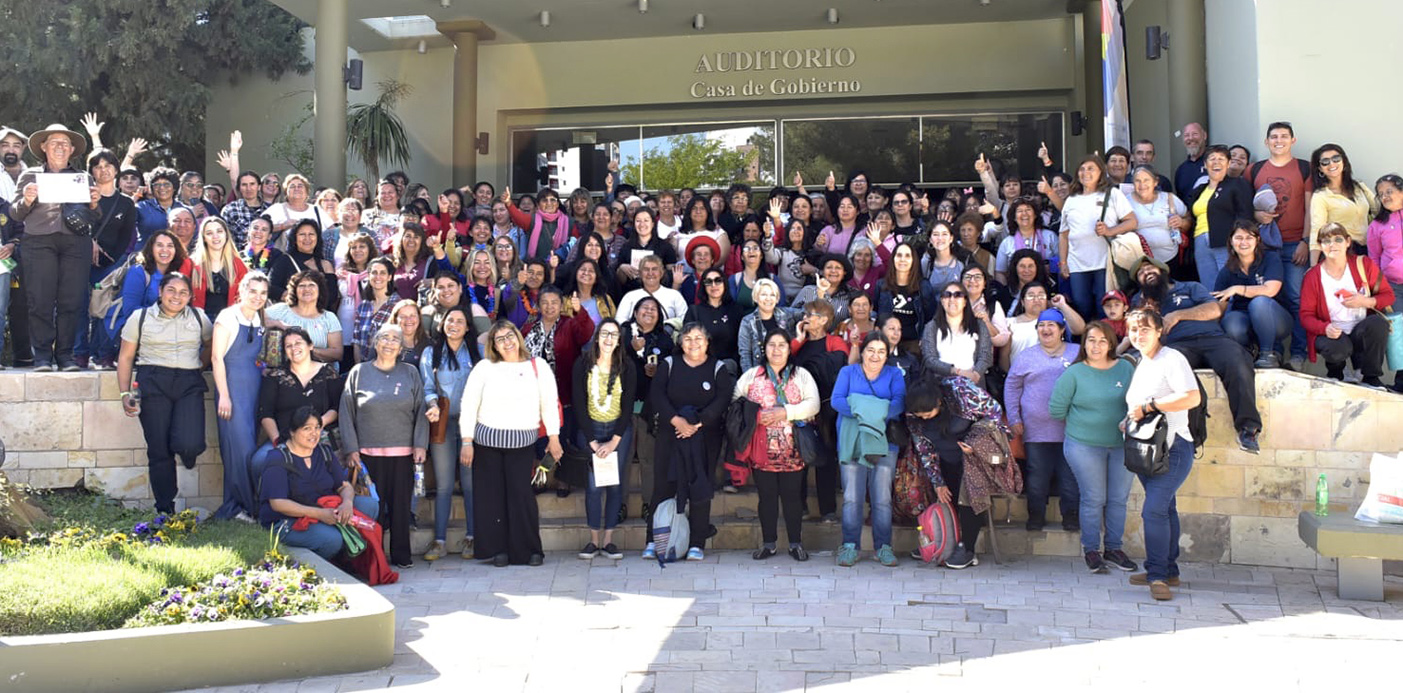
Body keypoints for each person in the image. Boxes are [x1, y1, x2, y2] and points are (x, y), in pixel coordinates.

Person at [1131, 255, 1262, 452]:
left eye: (1150, 269)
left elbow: (1214, 310)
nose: (1146, 273)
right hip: (1177, 345)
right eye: (1141, 273)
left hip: (1212, 338)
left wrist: (1178, 315)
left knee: (1237, 361)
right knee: (1181, 379)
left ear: (1163, 271)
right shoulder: (1141, 302)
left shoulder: (1189, 287)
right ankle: (1193, 437)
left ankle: (1248, 429)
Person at [459, 320, 562, 567]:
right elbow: (469, 404)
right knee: (492, 498)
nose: (506, 342)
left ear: (518, 337)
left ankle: (529, 551)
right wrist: (466, 441)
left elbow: (549, 402)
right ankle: (498, 550)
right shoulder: (484, 368)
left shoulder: (538, 366)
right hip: (486, 443)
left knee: (522, 497)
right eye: (500, 338)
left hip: (522, 443)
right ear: (493, 345)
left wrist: (554, 437)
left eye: (510, 336)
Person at [1124, 308, 1203, 601]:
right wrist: (1130, 418)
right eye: (1133, 330)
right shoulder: (1143, 362)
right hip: (1147, 449)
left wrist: (1148, 407)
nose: (1138, 335)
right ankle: (1168, 570)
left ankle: (1157, 576)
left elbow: (1191, 397)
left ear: (1160, 331)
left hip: (1173, 447)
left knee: (1153, 511)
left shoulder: (1172, 358)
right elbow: (1139, 404)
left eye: (1145, 329)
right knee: (1166, 509)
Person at [117, 272, 212, 514]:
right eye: (171, 290)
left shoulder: (199, 318)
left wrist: (199, 365)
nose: (176, 296)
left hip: (189, 382)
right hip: (153, 381)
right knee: (159, 449)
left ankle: (186, 452)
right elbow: (126, 357)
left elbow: (211, 345)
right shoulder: (140, 318)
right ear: (160, 292)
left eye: (183, 292)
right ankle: (164, 508)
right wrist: (124, 393)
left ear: (190, 296)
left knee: (190, 443)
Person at [640, 323, 736, 561]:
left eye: (698, 338)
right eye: (688, 338)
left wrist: (698, 423)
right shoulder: (669, 365)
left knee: (700, 487)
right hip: (670, 434)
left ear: (707, 342)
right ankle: (654, 540)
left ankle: (696, 542)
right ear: (680, 342)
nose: (693, 343)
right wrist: (676, 421)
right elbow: (657, 395)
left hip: (704, 437)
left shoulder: (718, 368)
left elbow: (724, 398)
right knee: (663, 486)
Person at [1048, 320, 1138, 572]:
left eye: (1102, 340)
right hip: (1084, 446)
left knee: (1118, 499)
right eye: (1091, 339)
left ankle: (1113, 548)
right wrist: (1087, 421)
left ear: (1111, 343)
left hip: (1122, 445)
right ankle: (1091, 550)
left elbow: (1138, 400)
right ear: (1083, 343)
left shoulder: (1125, 368)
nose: (1096, 345)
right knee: (1094, 498)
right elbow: (1056, 410)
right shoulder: (1073, 373)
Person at [340, 324, 428, 569]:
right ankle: (372, 557)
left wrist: (420, 444)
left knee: (401, 509)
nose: (389, 343)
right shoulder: (359, 372)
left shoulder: (410, 373)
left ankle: (401, 556)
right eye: (384, 338)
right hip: (367, 456)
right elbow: (346, 413)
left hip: (403, 454)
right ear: (375, 343)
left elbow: (421, 409)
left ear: (401, 348)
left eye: (395, 340)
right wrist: (351, 449)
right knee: (372, 509)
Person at [13, 124, 100, 371]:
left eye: (65, 143)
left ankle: (65, 356)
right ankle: (41, 357)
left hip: (75, 243)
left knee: (71, 301)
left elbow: (94, 219)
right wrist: (27, 199)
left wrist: (94, 204)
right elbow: (15, 213)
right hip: (38, 242)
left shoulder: (84, 177)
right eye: (54, 142)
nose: (60, 146)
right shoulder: (29, 175)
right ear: (43, 146)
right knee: (39, 300)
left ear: (72, 149)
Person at [734, 329, 820, 561]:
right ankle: (769, 543)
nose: (777, 350)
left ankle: (795, 543)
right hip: (762, 451)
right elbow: (736, 403)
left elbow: (814, 404)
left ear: (789, 348)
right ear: (765, 349)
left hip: (793, 449)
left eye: (782, 345)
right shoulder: (753, 375)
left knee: (793, 498)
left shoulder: (800, 375)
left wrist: (786, 412)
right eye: (772, 345)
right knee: (767, 498)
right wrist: (755, 417)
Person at [257, 407, 380, 560]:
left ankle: (350, 558)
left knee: (369, 505)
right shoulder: (277, 458)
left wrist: (347, 504)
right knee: (331, 539)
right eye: (307, 428)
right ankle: (325, 562)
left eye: (317, 428)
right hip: (288, 521)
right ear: (292, 432)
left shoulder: (324, 452)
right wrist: (320, 514)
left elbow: (344, 485)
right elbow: (278, 503)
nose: (314, 434)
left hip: (326, 509)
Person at [832, 332, 906, 567]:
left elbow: (898, 404)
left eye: (881, 351)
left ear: (888, 354)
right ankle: (850, 546)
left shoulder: (894, 374)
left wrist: (861, 405)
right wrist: (874, 410)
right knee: (852, 497)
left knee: (882, 498)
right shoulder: (848, 372)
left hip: (884, 444)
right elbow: (837, 401)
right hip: (852, 442)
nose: (875, 356)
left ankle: (883, 547)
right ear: (862, 351)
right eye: (871, 350)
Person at [1005, 308, 1080, 532]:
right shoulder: (1027, 356)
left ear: (1062, 330)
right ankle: (1035, 516)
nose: (1046, 330)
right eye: (1041, 325)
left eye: (1051, 325)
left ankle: (1071, 517)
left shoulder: (1077, 353)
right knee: (1037, 476)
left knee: (1070, 477)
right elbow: (1011, 386)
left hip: (1072, 430)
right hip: (1035, 429)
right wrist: (1014, 417)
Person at [571, 319, 636, 559]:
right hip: (591, 430)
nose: (609, 339)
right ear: (597, 337)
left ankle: (609, 540)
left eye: (614, 335)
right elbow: (578, 403)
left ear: (620, 340)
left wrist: (614, 441)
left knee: (615, 485)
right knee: (593, 487)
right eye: (605, 333)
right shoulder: (583, 364)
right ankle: (593, 540)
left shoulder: (626, 366)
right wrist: (592, 442)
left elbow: (628, 405)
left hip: (618, 431)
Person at [1251, 123, 1314, 370]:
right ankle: (1274, 352)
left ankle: (1297, 355)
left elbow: (1311, 209)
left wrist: (1305, 241)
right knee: (1269, 298)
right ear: (1266, 142)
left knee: (1297, 298)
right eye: (1274, 137)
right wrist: (1257, 216)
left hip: (1294, 244)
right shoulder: (1253, 170)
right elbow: (1249, 208)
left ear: (1293, 140)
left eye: (1284, 136)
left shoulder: (1303, 168)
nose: (1279, 140)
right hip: (1265, 246)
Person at [1300, 222, 1393, 388]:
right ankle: (1336, 373)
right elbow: (1305, 315)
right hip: (1332, 334)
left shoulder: (1363, 264)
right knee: (1336, 349)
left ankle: (1371, 377)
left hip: (1360, 329)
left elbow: (1388, 296)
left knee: (1378, 324)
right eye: (1326, 241)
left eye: (1338, 239)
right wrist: (1324, 328)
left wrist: (1366, 301)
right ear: (1320, 246)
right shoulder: (1312, 276)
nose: (1332, 245)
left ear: (1348, 242)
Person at [420, 305, 480, 562]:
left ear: (467, 327)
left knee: (470, 483)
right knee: (444, 485)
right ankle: (440, 540)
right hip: (443, 421)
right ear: (442, 325)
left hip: (471, 426)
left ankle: (473, 537)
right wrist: (432, 404)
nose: (454, 325)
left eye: (459, 321)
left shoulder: (476, 352)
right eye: (449, 320)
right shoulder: (431, 352)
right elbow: (427, 386)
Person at [211, 271, 270, 521]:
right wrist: (224, 395)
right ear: (242, 291)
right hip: (232, 388)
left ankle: (248, 506)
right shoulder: (227, 317)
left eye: (263, 293)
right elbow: (216, 357)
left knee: (251, 446)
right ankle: (240, 506)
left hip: (254, 387)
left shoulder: (259, 318)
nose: (258, 297)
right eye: (253, 291)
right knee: (239, 448)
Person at [253, 326, 340, 486]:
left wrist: (316, 427)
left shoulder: (328, 372)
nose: (294, 348)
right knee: (259, 462)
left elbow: (336, 408)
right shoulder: (275, 376)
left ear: (310, 345)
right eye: (289, 345)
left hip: (320, 435)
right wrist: (278, 442)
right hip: (286, 437)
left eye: (298, 343)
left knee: (330, 465)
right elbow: (266, 413)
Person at [1058, 154, 1139, 319]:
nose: (1085, 172)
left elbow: (1132, 222)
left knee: (1106, 307)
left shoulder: (1112, 194)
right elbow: (1064, 235)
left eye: (1090, 168)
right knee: (1082, 306)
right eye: (1081, 169)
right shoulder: (1071, 199)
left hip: (1105, 262)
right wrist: (1063, 262)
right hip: (1077, 264)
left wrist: (1110, 231)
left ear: (1101, 172)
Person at [1213, 220, 1293, 368]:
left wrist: (1238, 289)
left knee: (1259, 302)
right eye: (1238, 238)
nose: (1244, 242)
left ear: (1258, 240)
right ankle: (1249, 351)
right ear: (1231, 241)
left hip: (1276, 319)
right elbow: (1219, 306)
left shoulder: (1270, 258)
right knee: (1231, 323)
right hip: (1245, 319)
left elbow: (1271, 289)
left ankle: (1268, 353)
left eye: (1249, 237)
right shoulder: (1228, 270)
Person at [1186, 145, 1254, 286]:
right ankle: (1215, 309)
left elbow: (1245, 215)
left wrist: (1239, 241)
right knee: (1209, 285)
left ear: (1228, 163)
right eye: (1212, 159)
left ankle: (1231, 309)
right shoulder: (1200, 189)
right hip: (1200, 242)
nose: (1216, 162)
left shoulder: (1237, 184)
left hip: (1225, 241)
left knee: (1229, 283)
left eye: (1221, 159)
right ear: (1205, 164)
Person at [1309, 144, 1378, 263]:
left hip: (1369, 250)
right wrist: (1313, 266)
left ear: (1344, 161)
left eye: (1336, 158)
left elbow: (1379, 211)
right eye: (1325, 162)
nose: (1331, 164)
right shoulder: (1321, 196)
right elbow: (1317, 230)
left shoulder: (1359, 187)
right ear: (1320, 168)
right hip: (1342, 252)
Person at [921, 281, 993, 386]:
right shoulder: (931, 327)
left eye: (958, 295)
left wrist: (975, 375)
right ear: (941, 301)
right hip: (940, 386)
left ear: (965, 302)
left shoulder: (979, 325)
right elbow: (929, 359)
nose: (952, 299)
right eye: (947, 295)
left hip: (973, 386)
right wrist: (957, 372)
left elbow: (986, 355)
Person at [266, 269, 344, 367]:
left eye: (311, 285)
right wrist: (277, 324)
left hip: (318, 375)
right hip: (282, 372)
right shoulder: (281, 310)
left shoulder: (329, 317)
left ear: (320, 290)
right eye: (301, 286)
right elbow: (256, 320)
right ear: (294, 290)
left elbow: (337, 354)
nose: (307, 289)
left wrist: (306, 350)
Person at [876, 242, 936, 355]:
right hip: (885, 342)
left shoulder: (923, 286)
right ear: (893, 259)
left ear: (914, 260)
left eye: (907, 256)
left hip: (913, 343)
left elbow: (931, 317)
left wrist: (925, 338)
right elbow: (875, 313)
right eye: (899, 255)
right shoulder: (881, 285)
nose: (902, 259)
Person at [1126, 165, 1189, 266]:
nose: (1142, 185)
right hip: (1141, 263)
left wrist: (1181, 222)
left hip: (1171, 258)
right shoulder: (1125, 202)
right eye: (1138, 181)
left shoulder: (1169, 198)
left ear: (1155, 182)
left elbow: (1189, 219)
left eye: (1146, 180)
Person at [737, 278, 802, 372]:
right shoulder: (747, 322)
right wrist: (750, 380)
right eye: (763, 294)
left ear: (777, 299)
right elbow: (745, 355)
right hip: (761, 375)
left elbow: (808, 314)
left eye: (772, 295)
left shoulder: (787, 314)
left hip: (787, 373)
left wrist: (820, 293)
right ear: (756, 298)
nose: (768, 298)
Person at [994, 201, 1058, 285]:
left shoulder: (1050, 236)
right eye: (1020, 211)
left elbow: (1062, 261)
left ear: (1035, 215)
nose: (1024, 214)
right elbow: (1000, 272)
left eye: (1028, 210)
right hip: (1017, 290)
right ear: (1014, 218)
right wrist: (1006, 293)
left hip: (1046, 287)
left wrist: (1050, 266)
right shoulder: (1007, 242)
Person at [1367, 174, 1403, 317]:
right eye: (1381, 194)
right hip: (1393, 286)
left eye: (1389, 192)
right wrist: (1379, 285)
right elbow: (1374, 258)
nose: (1384, 197)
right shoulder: (1377, 225)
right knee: (1399, 330)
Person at [616, 254, 688, 322]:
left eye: (654, 269)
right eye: (646, 269)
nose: (650, 273)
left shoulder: (674, 295)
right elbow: (620, 320)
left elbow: (684, 320)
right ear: (640, 274)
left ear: (661, 273)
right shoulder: (630, 297)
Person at [352, 257, 397, 362]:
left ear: (389, 277)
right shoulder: (363, 306)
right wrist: (359, 369)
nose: (378, 277)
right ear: (368, 276)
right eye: (374, 273)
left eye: (382, 273)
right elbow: (356, 342)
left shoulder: (397, 306)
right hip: (363, 368)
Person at [221, 170, 269, 249]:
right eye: (244, 185)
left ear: (259, 187)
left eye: (252, 184)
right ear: (239, 188)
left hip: (265, 258)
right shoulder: (230, 209)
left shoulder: (269, 210)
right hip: (238, 257)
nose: (248, 188)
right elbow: (223, 237)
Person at [361, 180, 403, 247]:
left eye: (390, 192)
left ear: (398, 196)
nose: (387, 195)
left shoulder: (405, 216)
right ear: (377, 197)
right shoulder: (366, 215)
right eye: (383, 193)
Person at [1174, 122, 1208, 204]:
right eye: (1186, 135)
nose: (1191, 138)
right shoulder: (1181, 170)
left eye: (1195, 134)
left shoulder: (1214, 163)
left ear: (1204, 136)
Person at [388, 299, 430, 365]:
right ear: (395, 319)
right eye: (403, 316)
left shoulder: (429, 345)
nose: (408, 320)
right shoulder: (383, 342)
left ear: (419, 317)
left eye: (413, 315)